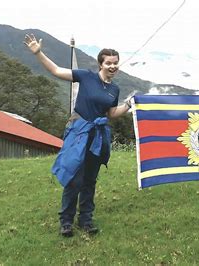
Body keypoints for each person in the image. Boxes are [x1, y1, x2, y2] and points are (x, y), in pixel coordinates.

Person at [24, 34, 133, 237]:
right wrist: (38, 53)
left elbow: (111, 114)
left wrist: (127, 105)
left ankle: (85, 220)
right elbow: (56, 71)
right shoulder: (86, 76)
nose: (113, 66)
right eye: (108, 63)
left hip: (97, 135)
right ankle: (66, 221)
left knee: (90, 179)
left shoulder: (114, 89)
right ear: (100, 64)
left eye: (115, 63)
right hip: (78, 130)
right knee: (74, 176)